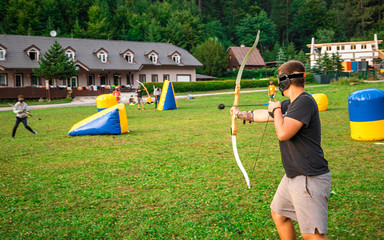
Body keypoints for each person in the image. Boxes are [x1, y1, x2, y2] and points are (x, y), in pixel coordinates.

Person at [231, 60, 331, 240]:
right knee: (279, 213)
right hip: (293, 175)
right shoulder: (291, 104)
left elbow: (283, 132)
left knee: (312, 235)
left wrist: (276, 109)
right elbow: (263, 114)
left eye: (279, 79)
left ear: (285, 80)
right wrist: (238, 114)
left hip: (308, 177)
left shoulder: (304, 102)